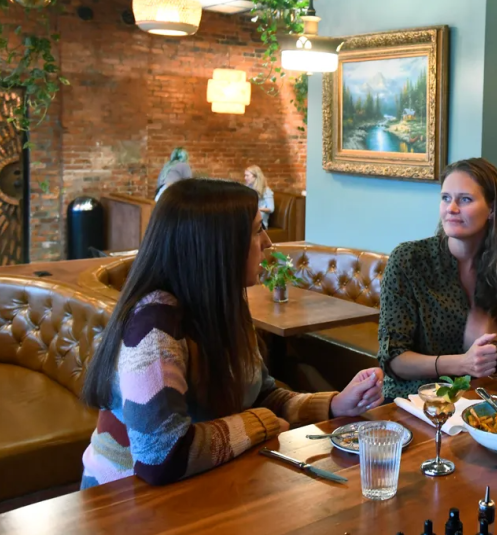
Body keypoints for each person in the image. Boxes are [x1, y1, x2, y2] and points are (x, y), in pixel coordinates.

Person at [81, 179, 383, 488]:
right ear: (216, 245)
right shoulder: (154, 328)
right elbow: (161, 459)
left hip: (201, 484)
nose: (267, 242)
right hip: (121, 497)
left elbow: (262, 395)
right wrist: (260, 423)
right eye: (257, 230)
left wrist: (334, 404)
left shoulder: (224, 304)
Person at [378, 158, 497, 400]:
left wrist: (495, 347)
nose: (452, 208)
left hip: (479, 400)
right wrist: (463, 363)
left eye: (465, 199)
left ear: (492, 209)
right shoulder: (409, 260)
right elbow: (394, 359)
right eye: (446, 198)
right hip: (415, 402)